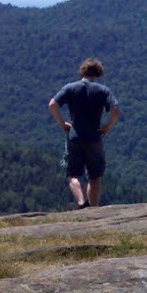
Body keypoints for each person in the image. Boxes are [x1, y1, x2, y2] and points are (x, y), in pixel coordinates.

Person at [48, 58, 120, 209]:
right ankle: (93, 210)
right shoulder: (103, 91)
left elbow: (52, 104)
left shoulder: (70, 88)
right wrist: (107, 127)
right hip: (94, 137)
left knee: (73, 174)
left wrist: (62, 124)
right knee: (95, 176)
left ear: (82, 71)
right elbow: (115, 112)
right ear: (98, 72)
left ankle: (81, 203)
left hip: (75, 136)